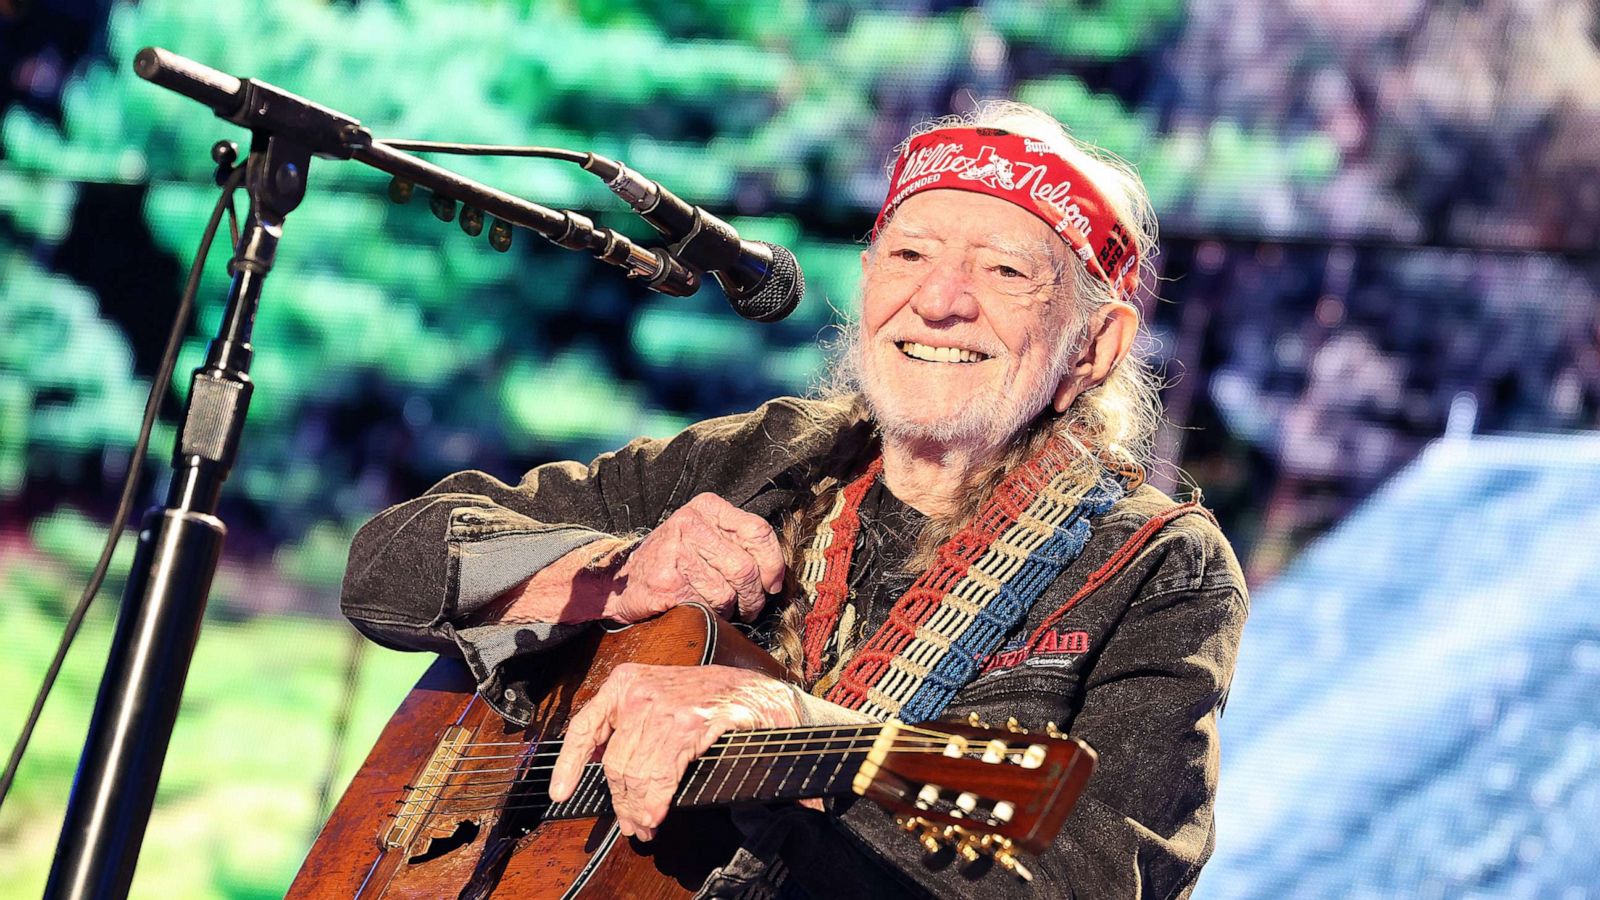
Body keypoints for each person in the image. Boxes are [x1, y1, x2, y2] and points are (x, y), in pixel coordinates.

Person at [341, 100, 1248, 898]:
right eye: (910, 254)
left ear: (1092, 347)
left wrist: (796, 733)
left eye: (1005, 273)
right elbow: (387, 566)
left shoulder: (1159, 566)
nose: (938, 300)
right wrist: (619, 576)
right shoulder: (764, 455)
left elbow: (1103, 875)